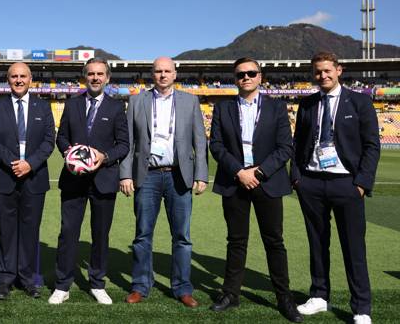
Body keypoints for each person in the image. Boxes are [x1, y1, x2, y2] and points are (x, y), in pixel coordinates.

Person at [208, 57, 302, 322]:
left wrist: (258, 173)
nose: (246, 78)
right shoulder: (223, 108)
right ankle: (230, 293)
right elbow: (216, 146)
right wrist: (239, 172)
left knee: (274, 241)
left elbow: (285, 147)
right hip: (235, 180)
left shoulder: (277, 108)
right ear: (235, 79)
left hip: (267, 181)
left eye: (251, 73)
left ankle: (284, 297)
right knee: (236, 240)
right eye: (240, 75)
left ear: (260, 76)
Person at [291, 52, 380, 324]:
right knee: (317, 243)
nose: (323, 76)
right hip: (312, 182)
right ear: (313, 74)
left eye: (328, 70)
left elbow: (371, 146)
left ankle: (361, 308)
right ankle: (319, 296)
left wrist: (361, 184)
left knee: (354, 248)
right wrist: (298, 178)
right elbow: (297, 144)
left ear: (339, 70)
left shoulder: (360, 101)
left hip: (347, 184)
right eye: (318, 72)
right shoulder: (307, 104)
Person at [119, 57, 208, 307]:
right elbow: (129, 142)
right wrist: (125, 173)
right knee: (142, 235)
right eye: (158, 71)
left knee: (182, 236)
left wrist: (201, 174)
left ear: (175, 74)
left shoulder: (190, 101)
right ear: (152, 74)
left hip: (178, 175)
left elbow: (200, 141)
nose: (162, 75)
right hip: (146, 175)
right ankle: (140, 286)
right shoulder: (137, 101)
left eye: (167, 71)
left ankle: (182, 288)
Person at [48, 57, 129, 305]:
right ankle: (62, 285)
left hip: (104, 180)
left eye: (99, 74)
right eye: (90, 73)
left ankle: (97, 283)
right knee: (68, 233)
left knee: (100, 234)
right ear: (85, 76)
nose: (95, 78)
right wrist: (68, 154)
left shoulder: (116, 108)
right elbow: (61, 137)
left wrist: (103, 157)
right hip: (73, 180)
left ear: (107, 78)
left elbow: (124, 145)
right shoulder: (72, 105)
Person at [0, 62, 56, 300]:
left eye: (22, 76)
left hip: (34, 178)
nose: (18, 80)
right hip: (5, 176)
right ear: (8, 79)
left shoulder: (43, 107)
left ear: (30, 78)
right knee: (6, 231)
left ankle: (27, 278)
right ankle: (4, 279)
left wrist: (30, 164)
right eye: (14, 76)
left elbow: (49, 141)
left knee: (30, 231)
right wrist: (14, 162)